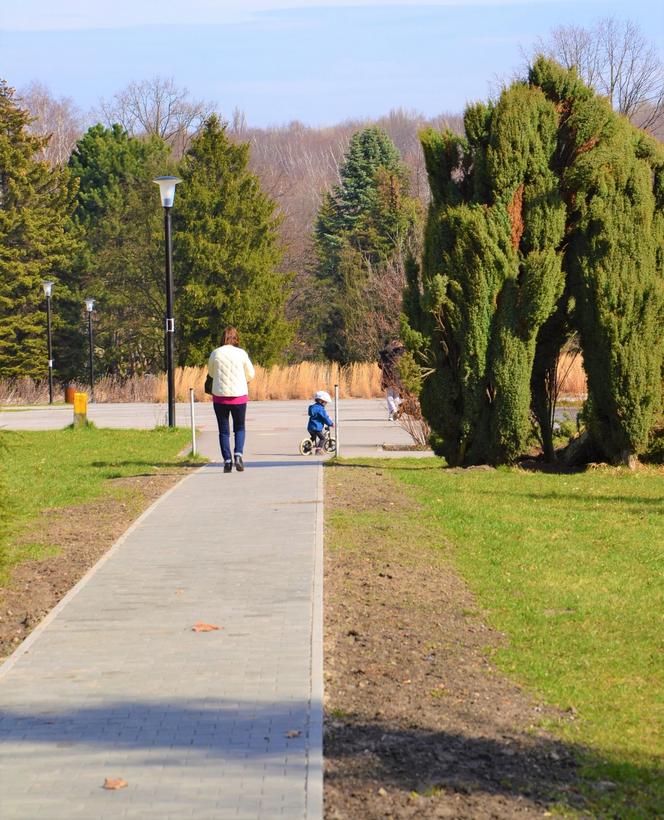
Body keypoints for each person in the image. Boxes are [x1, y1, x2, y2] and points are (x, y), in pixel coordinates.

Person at [208, 327, 255, 473]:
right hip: (239, 396)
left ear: (223, 338)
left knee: (224, 431)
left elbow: (211, 373)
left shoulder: (215, 353)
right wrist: (243, 380)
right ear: (236, 338)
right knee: (239, 427)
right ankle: (238, 454)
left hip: (220, 397)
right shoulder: (241, 353)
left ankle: (227, 461)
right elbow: (251, 374)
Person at [378, 339, 405, 420]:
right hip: (398, 378)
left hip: (388, 377)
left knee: (390, 395)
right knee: (396, 396)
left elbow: (379, 364)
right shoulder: (402, 354)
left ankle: (394, 410)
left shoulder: (386, 354)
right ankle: (392, 415)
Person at [307, 390, 334, 454]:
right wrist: (331, 423)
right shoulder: (321, 409)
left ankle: (307, 447)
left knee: (313, 437)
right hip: (317, 428)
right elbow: (325, 418)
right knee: (323, 439)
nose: (326, 404)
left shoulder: (313, 407)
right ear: (321, 401)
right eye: (325, 402)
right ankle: (318, 450)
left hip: (310, 427)